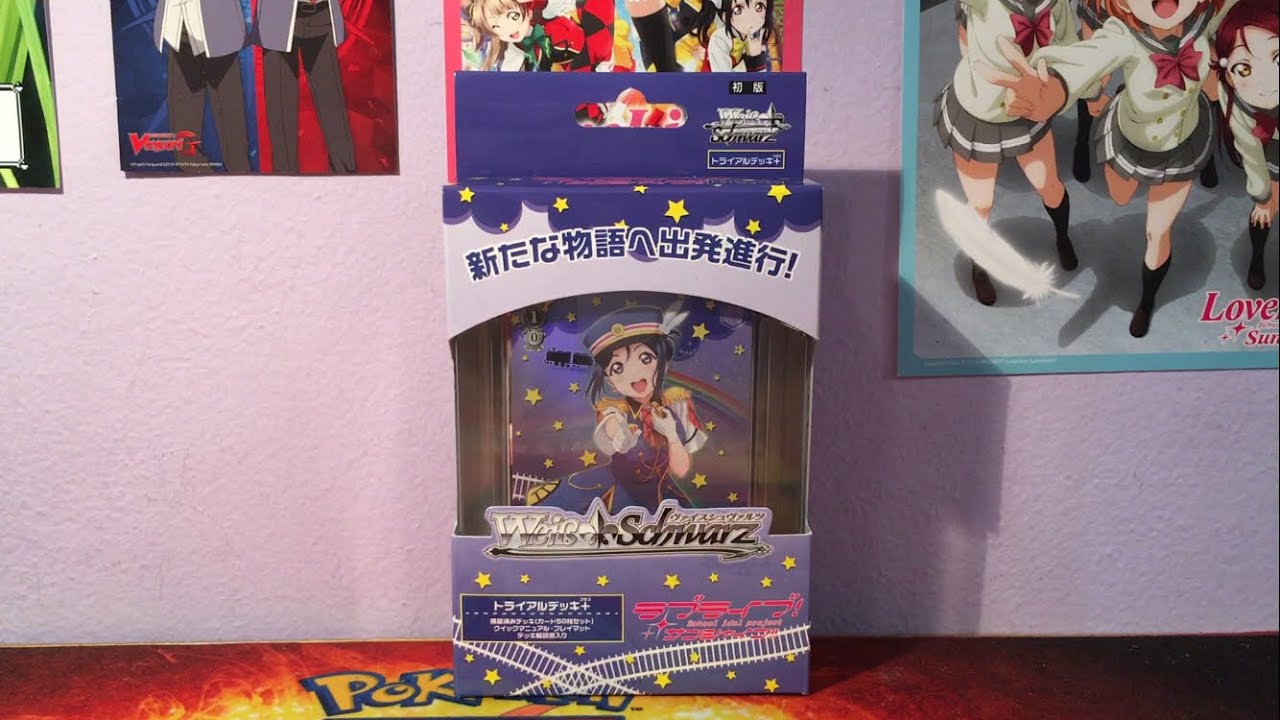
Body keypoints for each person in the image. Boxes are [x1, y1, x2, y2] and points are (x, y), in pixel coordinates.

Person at [529, 305, 707, 514]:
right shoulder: (615, 410)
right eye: (618, 367)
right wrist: (621, 440)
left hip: (661, 492)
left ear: (663, 362)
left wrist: (672, 435)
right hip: (619, 488)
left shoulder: (677, 404)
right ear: (610, 381)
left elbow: (681, 470)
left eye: (645, 358)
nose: (633, 374)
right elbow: (612, 428)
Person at [253, 0, 356, 173]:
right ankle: (284, 183)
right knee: (282, 117)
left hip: (323, 14)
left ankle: (347, 179)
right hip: (276, 18)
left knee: (333, 110)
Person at [153, 0, 251, 172]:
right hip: (180, 38)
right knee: (185, 153)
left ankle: (241, 183)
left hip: (220, 38)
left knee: (236, 155)